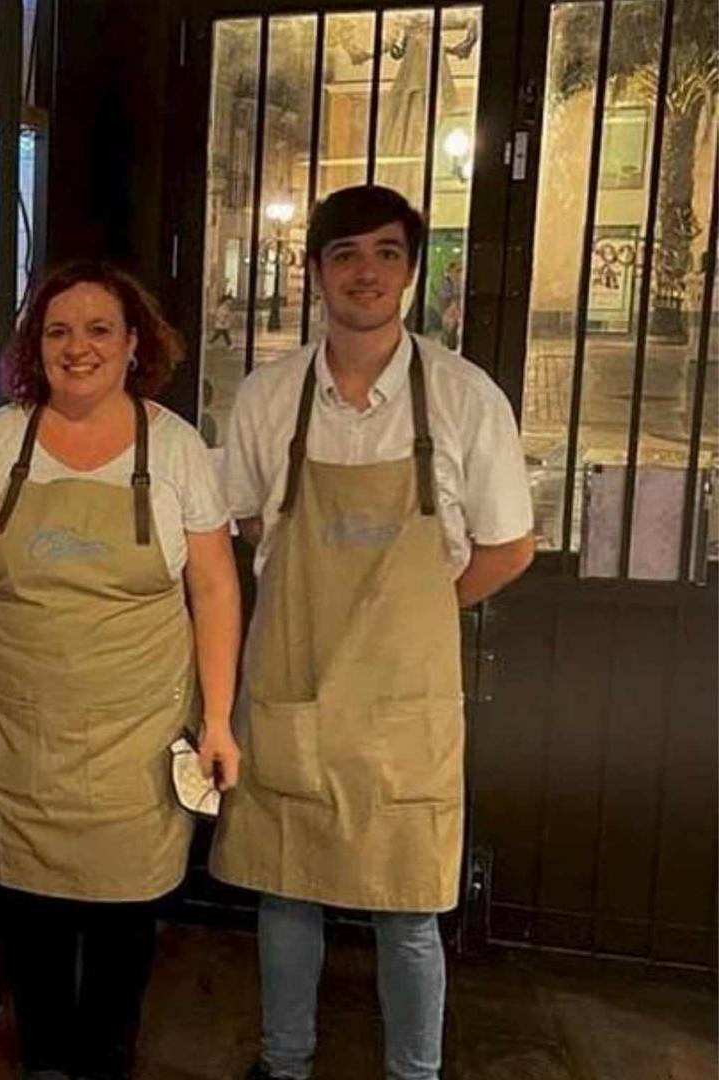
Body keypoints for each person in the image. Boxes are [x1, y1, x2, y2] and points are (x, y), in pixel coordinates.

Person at [211, 185, 535, 1080]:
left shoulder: (465, 398)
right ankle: (284, 1064)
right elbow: (244, 522)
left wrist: (414, 612)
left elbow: (510, 547)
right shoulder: (269, 397)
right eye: (346, 253)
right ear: (316, 270)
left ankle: (413, 1074)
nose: (367, 272)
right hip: (294, 685)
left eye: (387, 253)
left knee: (409, 909)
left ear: (411, 270)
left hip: (403, 708)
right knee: (286, 893)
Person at [0, 261, 244, 1080]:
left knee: (121, 929)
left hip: (134, 741)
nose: (78, 348)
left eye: (100, 330)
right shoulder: (1, 440)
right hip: (16, 733)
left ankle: (104, 1063)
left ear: (135, 343)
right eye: (58, 331)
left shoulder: (173, 448)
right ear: (36, 346)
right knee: (28, 917)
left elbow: (214, 587)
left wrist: (217, 718)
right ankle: (42, 1061)